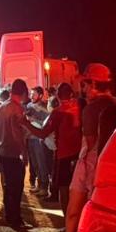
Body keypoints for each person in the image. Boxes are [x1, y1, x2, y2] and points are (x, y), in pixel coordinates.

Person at [62, 64, 116, 232]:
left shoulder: (91, 109)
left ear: (94, 84)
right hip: (111, 167)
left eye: (85, 84)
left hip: (90, 162)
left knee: (74, 211)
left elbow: (89, 143)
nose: (83, 89)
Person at [0, 79, 38, 229]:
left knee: (8, 187)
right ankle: (16, 219)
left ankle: (9, 216)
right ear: (24, 92)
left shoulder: (2, 106)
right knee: (16, 188)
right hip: (13, 153)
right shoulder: (16, 108)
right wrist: (23, 152)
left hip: (2, 150)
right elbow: (16, 133)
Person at [34, 82, 82, 215]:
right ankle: (76, 218)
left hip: (63, 155)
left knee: (64, 188)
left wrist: (25, 123)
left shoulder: (58, 112)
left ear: (58, 95)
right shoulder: (79, 106)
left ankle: (68, 220)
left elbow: (43, 133)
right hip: (79, 153)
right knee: (78, 188)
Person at [25, 86, 51, 195]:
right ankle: (39, 185)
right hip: (30, 138)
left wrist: (33, 119)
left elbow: (46, 124)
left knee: (41, 163)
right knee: (35, 163)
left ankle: (44, 187)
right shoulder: (29, 106)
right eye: (31, 94)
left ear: (40, 95)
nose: (31, 96)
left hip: (39, 139)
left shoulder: (45, 108)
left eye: (34, 94)